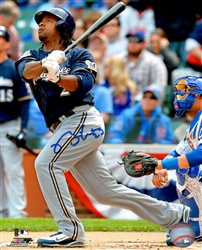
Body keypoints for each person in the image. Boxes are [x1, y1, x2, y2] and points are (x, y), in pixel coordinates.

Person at [15, 7, 191, 247]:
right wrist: (47, 63)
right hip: (64, 128)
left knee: (46, 164)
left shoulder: (79, 54)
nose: (41, 24)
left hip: (82, 121)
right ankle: (173, 215)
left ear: (63, 27)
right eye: (40, 21)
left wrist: (57, 76)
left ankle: (70, 230)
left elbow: (84, 84)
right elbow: (26, 72)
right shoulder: (32, 54)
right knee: (104, 192)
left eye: (48, 20)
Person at [144, 76, 202, 244]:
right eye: (181, 92)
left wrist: (161, 164)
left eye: (188, 92)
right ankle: (195, 223)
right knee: (182, 167)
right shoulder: (195, 123)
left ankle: (197, 224)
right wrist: (161, 166)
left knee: (192, 169)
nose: (181, 96)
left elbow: (199, 155)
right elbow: (178, 152)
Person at [0, 26, 31, 218]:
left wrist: (23, 130)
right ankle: (2, 212)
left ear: (7, 42)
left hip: (9, 126)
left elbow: (25, 103)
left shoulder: (13, 68)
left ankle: (17, 212)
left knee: (13, 171)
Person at [107, 85, 175, 144]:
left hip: (153, 155)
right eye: (145, 96)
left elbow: (170, 141)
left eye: (152, 97)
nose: (147, 100)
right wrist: (122, 145)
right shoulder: (127, 115)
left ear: (158, 102)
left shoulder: (164, 120)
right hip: (128, 154)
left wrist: (159, 145)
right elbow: (113, 135)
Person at [121, 28, 168, 102]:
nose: (133, 43)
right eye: (130, 40)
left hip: (145, 104)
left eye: (137, 40)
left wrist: (141, 99)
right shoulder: (119, 59)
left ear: (144, 43)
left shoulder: (154, 62)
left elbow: (159, 87)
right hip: (121, 104)